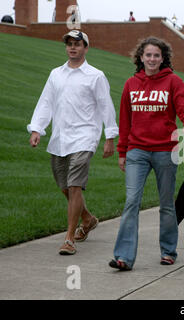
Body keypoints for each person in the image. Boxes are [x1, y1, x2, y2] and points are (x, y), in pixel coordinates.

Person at [109, 37, 184, 271]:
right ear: (141, 57)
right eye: (148, 55)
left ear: (162, 58)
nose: (151, 59)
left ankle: (168, 251)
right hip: (137, 151)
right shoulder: (131, 84)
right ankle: (123, 257)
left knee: (167, 204)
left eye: (156, 55)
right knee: (131, 202)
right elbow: (125, 121)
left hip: (164, 152)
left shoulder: (172, 81)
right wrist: (122, 152)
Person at [27, 30, 119, 255]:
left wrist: (110, 137)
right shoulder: (55, 74)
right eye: (69, 44)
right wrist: (37, 128)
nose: (73, 48)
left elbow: (105, 106)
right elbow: (46, 102)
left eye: (78, 44)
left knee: (75, 185)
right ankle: (87, 219)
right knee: (65, 186)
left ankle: (69, 238)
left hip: (85, 136)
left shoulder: (95, 76)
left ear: (86, 48)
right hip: (60, 137)